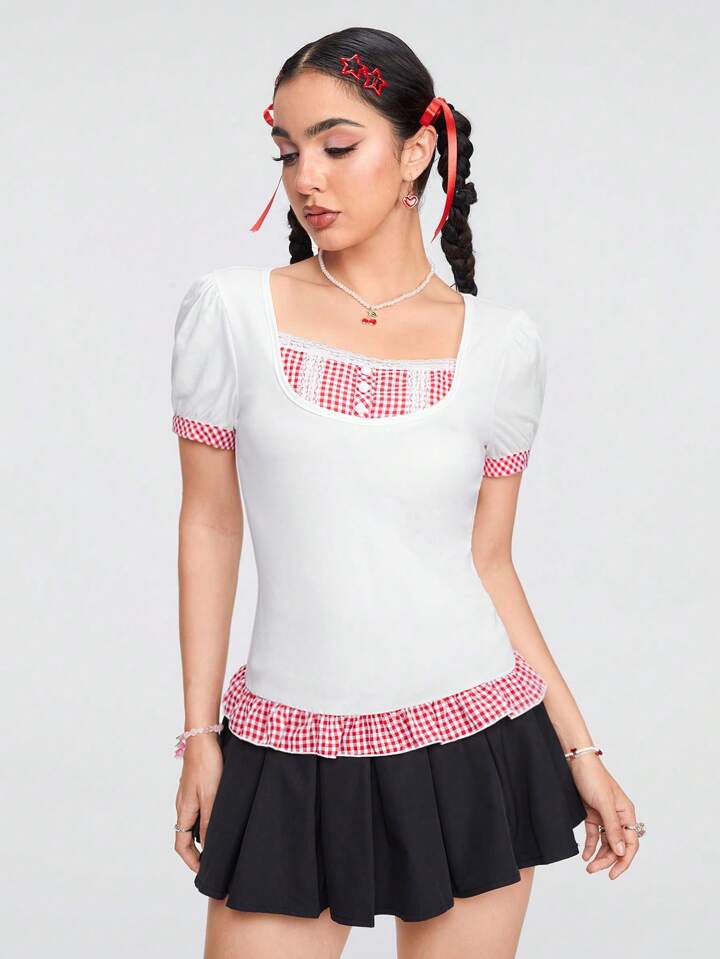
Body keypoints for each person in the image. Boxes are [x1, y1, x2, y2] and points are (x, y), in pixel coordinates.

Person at [170, 26, 644, 959]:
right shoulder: (231, 314)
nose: (307, 178)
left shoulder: (501, 347)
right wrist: (198, 733)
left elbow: (490, 565)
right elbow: (211, 524)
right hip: (287, 748)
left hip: (477, 740)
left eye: (337, 146)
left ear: (418, 151)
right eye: (288, 151)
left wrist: (581, 750)